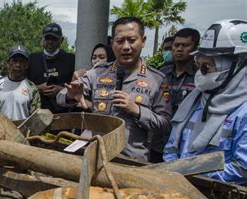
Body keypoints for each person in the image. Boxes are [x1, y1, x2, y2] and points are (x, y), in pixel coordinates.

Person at [57, 17, 172, 162]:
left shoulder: (157, 79)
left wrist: (138, 111)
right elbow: (60, 97)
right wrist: (70, 94)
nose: (125, 47)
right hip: (96, 156)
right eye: (120, 41)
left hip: (132, 161)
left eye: (132, 40)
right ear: (112, 44)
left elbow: (166, 125)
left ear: (143, 41)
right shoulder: (98, 72)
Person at [164, 19, 247, 185]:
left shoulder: (242, 111)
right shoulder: (195, 100)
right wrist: (174, 173)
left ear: (235, 66)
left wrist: (192, 176)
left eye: (207, 67)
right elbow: (172, 147)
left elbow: (242, 168)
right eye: (199, 66)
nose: (201, 74)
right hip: (180, 187)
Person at [150, 28, 200, 162]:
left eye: (185, 45)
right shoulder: (161, 73)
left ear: (195, 48)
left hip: (184, 144)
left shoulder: (200, 76)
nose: (179, 49)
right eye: (176, 45)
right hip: (159, 141)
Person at [28, 23, 75, 113]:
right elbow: (22, 85)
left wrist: (61, 90)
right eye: (47, 38)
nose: (50, 41)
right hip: (37, 114)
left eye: (54, 39)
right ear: (41, 39)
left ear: (61, 40)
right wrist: (38, 88)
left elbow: (78, 87)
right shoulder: (31, 59)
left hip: (64, 114)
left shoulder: (71, 59)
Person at [0, 45, 41, 121]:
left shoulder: (32, 88)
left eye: (22, 61)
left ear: (27, 65)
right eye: (14, 61)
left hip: (23, 132)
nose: (18, 65)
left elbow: (36, 117)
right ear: (8, 63)